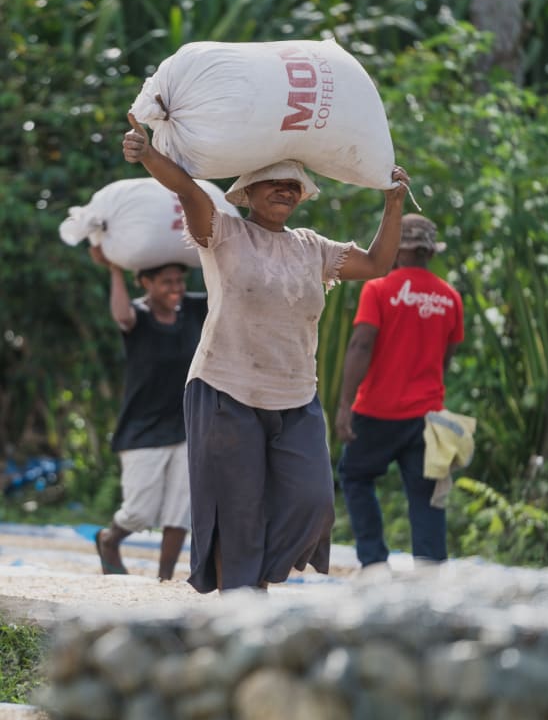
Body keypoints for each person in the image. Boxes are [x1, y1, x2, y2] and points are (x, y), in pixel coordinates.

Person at [122, 111, 410, 593]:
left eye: (293, 185)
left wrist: (393, 202)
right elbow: (188, 190)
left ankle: (252, 578)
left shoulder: (313, 248)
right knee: (237, 505)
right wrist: (148, 153)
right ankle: (241, 599)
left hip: (296, 396)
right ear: (248, 191)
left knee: (313, 502)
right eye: (274, 182)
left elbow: (379, 263)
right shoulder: (224, 233)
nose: (285, 190)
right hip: (225, 388)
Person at [336, 214, 464, 568]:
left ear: (397, 250)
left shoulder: (379, 289)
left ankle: (374, 563)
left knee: (355, 475)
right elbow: (445, 358)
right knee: (427, 494)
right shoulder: (450, 297)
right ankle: (430, 571)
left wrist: (345, 405)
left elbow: (361, 344)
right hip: (427, 416)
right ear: (430, 252)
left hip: (377, 411)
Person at [91, 244, 207, 580]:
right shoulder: (137, 316)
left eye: (179, 281)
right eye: (166, 282)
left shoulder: (194, 309)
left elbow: (224, 290)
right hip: (141, 429)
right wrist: (115, 268)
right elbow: (121, 315)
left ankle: (164, 580)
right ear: (146, 283)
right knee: (139, 512)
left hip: (186, 425)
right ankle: (109, 539)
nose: (176, 288)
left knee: (180, 510)